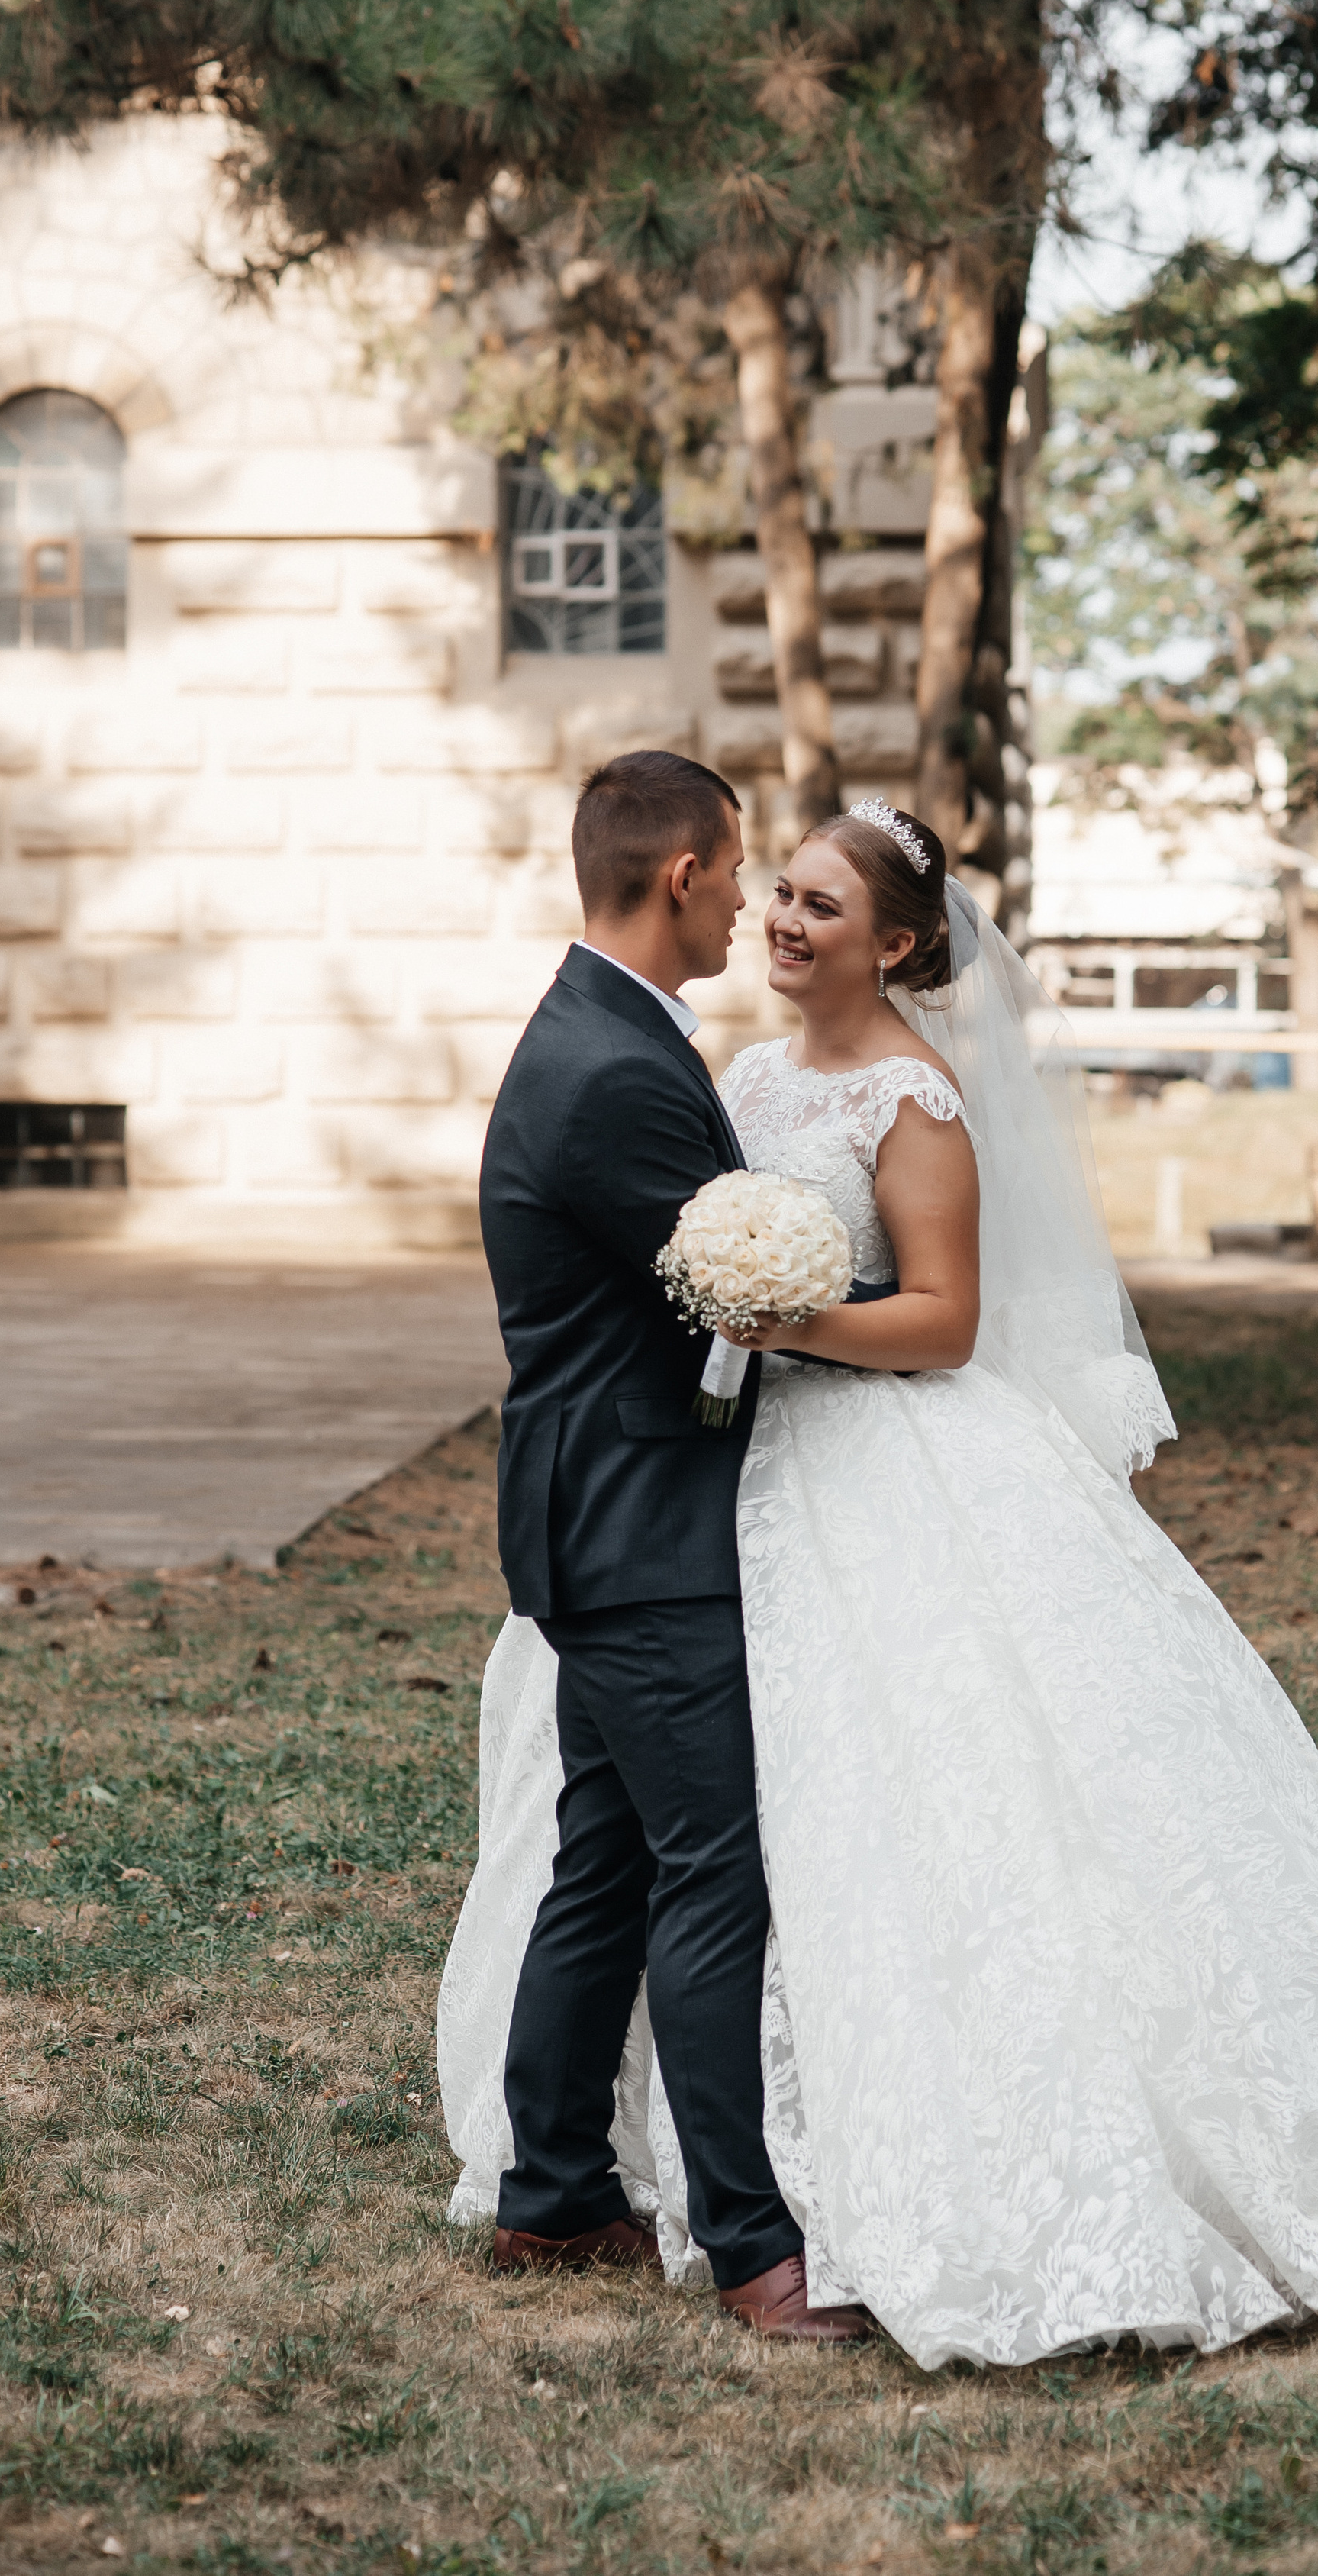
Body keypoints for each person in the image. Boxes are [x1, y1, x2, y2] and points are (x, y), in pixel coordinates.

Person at [446, 793, 1318, 2371]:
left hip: (869, 1466)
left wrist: (780, 1320)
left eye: (815, 897)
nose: (776, 913)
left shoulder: (908, 1093)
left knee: (856, 1815)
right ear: (690, 881)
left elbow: (937, 1318)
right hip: (724, 1503)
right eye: (768, 886)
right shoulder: (719, 1075)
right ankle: (611, 2192)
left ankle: (690, 2205)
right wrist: (750, 1313)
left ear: (895, 940)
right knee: (692, 1842)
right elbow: (679, 1266)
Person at [465, 748, 868, 2345]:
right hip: (639, 1526)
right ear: (684, 871)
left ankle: (556, 2194)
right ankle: (755, 2251)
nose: (748, 899)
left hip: (598, 1507)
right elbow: (732, 1296)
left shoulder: (603, 1031)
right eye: (739, 867)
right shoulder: (618, 1067)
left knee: (609, 1857)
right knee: (710, 1870)